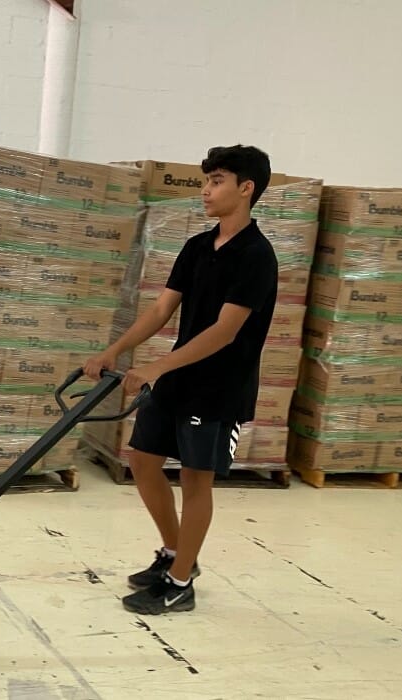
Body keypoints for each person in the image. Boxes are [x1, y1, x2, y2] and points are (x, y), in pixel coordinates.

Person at [84, 145, 278, 615]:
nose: (206, 190)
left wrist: (154, 368)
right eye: (205, 180)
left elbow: (225, 331)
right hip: (177, 378)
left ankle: (178, 583)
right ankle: (178, 556)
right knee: (144, 460)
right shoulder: (196, 247)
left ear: (245, 188)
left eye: (216, 181)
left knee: (195, 480)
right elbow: (160, 309)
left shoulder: (257, 256)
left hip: (219, 388)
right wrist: (115, 350)